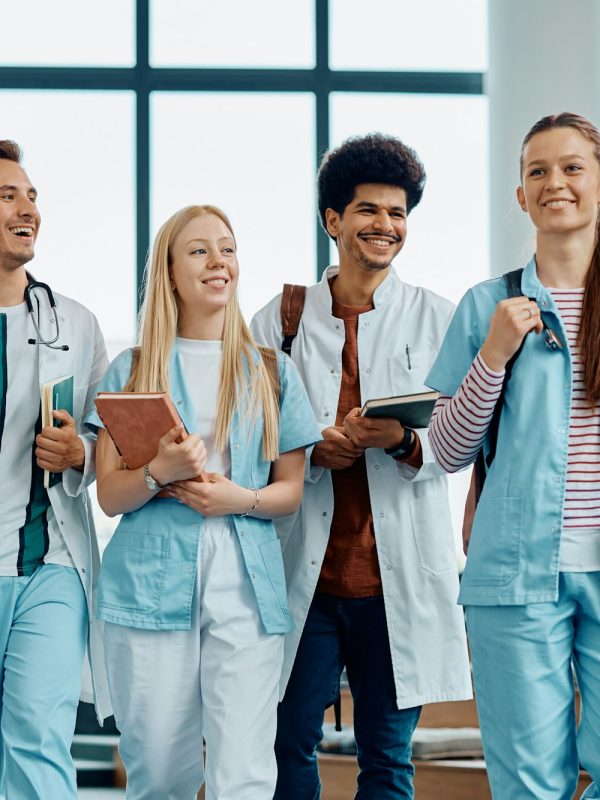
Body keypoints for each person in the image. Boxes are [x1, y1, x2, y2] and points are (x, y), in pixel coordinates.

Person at [251, 133, 472, 800]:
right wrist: (313, 448)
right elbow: (249, 437)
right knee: (288, 742)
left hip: (396, 577)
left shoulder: (440, 318)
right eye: (369, 211)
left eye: (397, 213)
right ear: (333, 221)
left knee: (387, 757)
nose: (385, 226)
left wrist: (403, 443)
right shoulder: (279, 321)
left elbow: (462, 438)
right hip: (308, 580)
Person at [85, 204, 321, 800]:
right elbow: (110, 496)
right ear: (168, 273)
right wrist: (158, 472)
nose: (219, 261)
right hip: (148, 581)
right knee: (160, 773)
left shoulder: (272, 372)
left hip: (246, 578)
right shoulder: (132, 370)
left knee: (244, 773)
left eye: (228, 248)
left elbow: (290, 491)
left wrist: (239, 499)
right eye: (198, 250)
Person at [427, 112, 600, 799]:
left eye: (572, 167)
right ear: (521, 197)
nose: (555, 182)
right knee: (530, 785)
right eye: (537, 171)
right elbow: (443, 450)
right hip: (515, 578)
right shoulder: (487, 305)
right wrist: (493, 356)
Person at [0, 140, 110, 798]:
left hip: (50, 563)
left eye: (32, 195)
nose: (27, 208)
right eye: (8, 195)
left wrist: (81, 454)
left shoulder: (74, 322)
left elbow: (107, 436)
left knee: (39, 738)